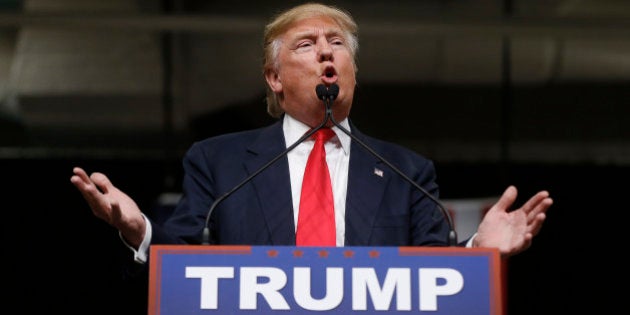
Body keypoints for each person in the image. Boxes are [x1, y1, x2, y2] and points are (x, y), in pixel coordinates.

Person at [71, 3, 552, 269]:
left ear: (353, 73)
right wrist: (140, 231)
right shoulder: (219, 161)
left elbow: (431, 272)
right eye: (307, 45)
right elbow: (183, 258)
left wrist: (477, 253)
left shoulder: (408, 171)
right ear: (274, 79)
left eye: (337, 45)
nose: (327, 54)